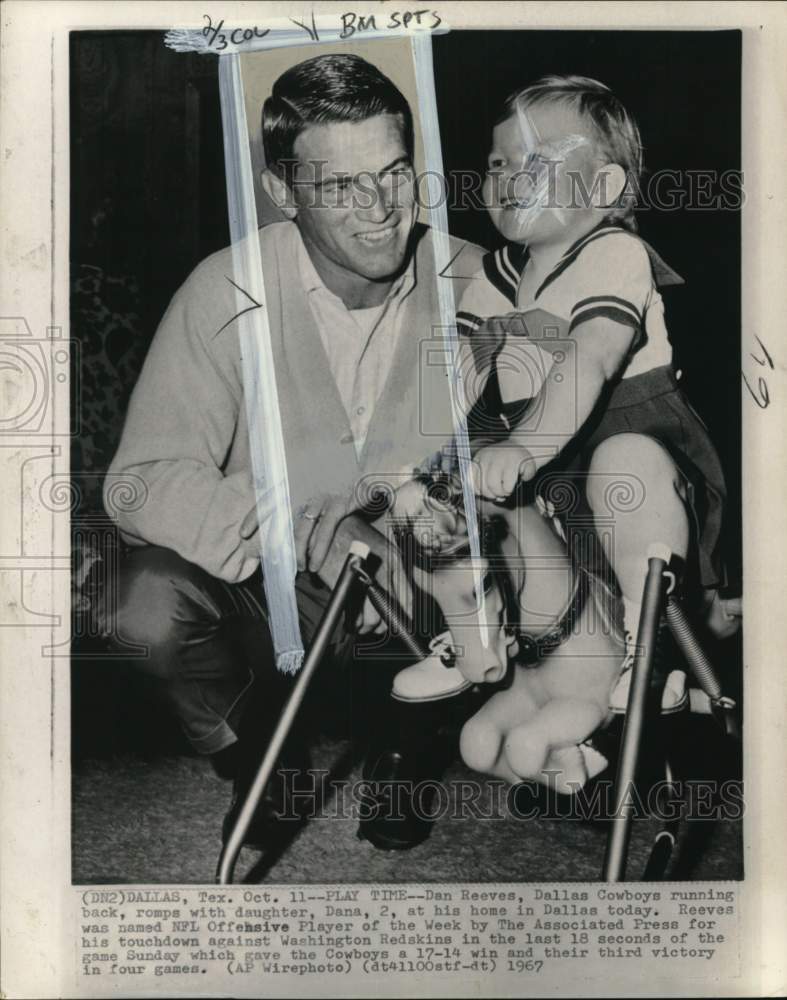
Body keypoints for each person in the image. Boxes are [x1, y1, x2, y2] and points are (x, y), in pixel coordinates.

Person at [99, 53, 484, 849]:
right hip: (271, 595)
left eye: (396, 172)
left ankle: (411, 744)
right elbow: (137, 486)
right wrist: (301, 531)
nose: (382, 208)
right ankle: (258, 762)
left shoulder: (478, 282)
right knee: (139, 603)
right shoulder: (226, 287)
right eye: (342, 185)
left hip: (424, 601)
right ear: (282, 193)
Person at [441, 75, 742, 777]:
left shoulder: (614, 252)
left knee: (623, 464)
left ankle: (652, 652)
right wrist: (437, 456)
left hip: (642, 467)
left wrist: (521, 444)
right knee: (469, 500)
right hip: (555, 482)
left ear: (604, 187)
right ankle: (492, 648)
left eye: (538, 163)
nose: (510, 178)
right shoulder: (489, 274)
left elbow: (588, 358)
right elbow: (452, 376)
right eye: (496, 163)